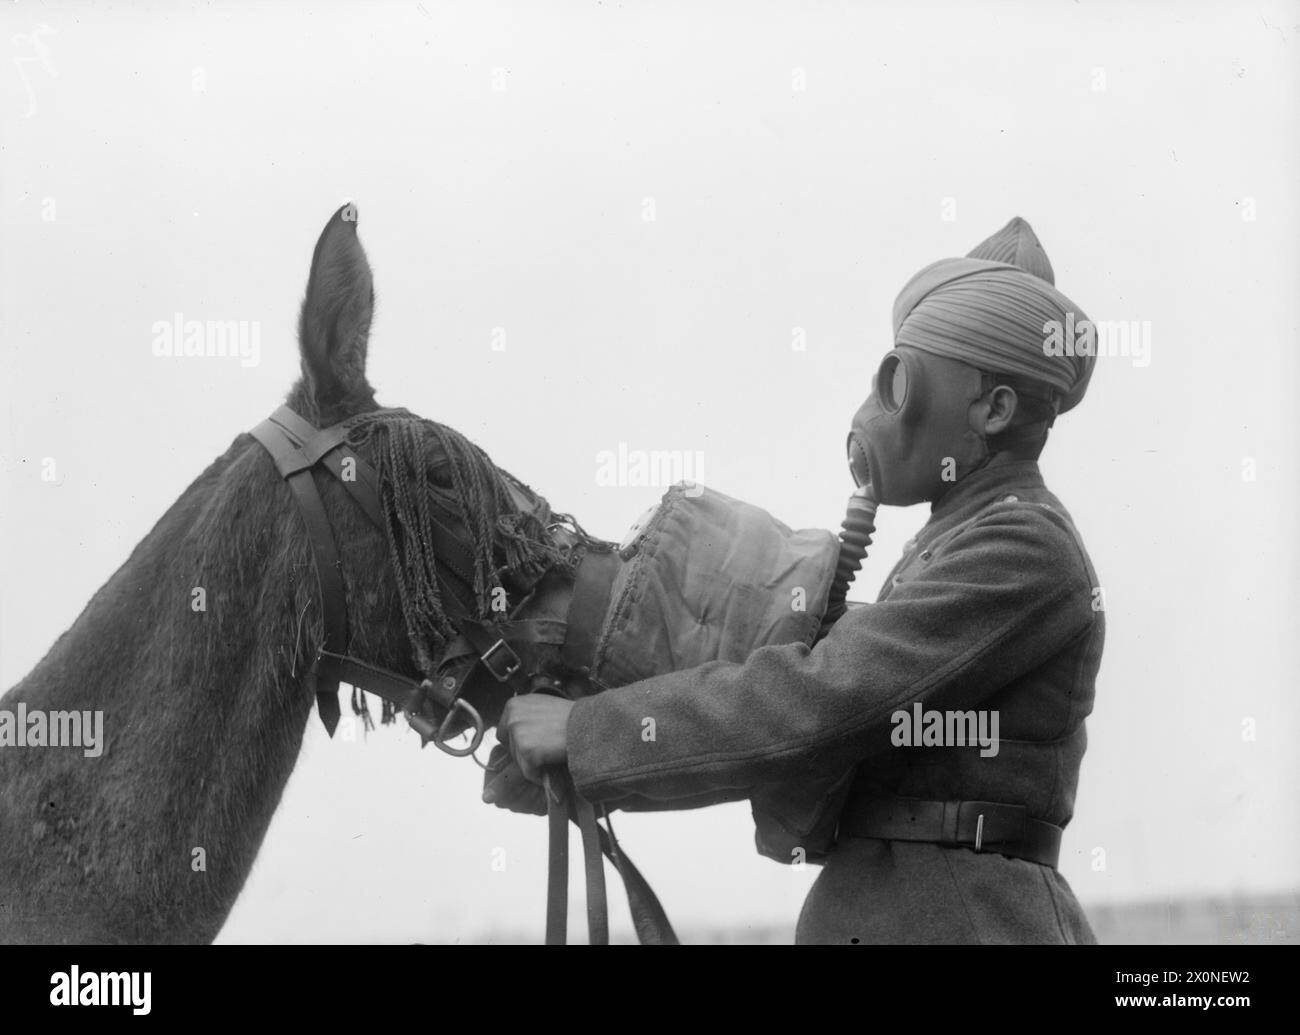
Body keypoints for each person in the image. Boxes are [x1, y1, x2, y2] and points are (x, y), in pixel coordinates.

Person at [493, 216, 1105, 944]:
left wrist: (587, 732)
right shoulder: (956, 537)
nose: (875, 411)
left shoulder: (1023, 546)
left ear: (994, 409)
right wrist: (597, 762)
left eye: (901, 382)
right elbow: (794, 713)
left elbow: (819, 700)